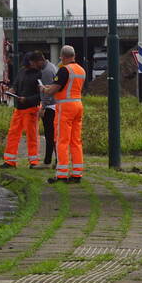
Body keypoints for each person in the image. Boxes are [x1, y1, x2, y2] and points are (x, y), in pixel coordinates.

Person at [42, 45, 85, 184]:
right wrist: (52, 87)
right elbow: (67, 87)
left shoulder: (64, 70)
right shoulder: (81, 70)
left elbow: (54, 89)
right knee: (75, 141)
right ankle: (77, 174)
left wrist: (44, 89)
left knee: (62, 140)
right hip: (78, 105)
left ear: (63, 57)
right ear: (74, 56)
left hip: (65, 107)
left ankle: (61, 174)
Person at [0, 51, 44, 168]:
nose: (37, 63)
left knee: (32, 136)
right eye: (36, 61)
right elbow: (15, 85)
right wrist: (12, 91)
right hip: (19, 109)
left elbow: (41, 95)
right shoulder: (21, 72)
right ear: (31, 62)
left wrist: (27, 99)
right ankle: (10, 161)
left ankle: (34, 161)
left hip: (31, 109)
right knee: (13, 134)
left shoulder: (39, 74)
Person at [38, 52, 58, 167]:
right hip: (54, 105)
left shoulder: (46, 72)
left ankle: (50, 160)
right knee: (52, 135)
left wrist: (43, 107)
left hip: (50, 107)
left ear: (40, 60)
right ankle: (50, 159)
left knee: (50, 135)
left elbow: (49, 92)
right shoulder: (52, 67)